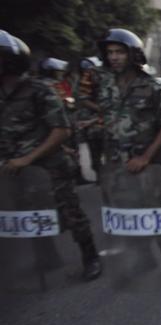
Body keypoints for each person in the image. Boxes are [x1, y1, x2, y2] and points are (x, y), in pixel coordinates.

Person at [0, 30, 101, 281]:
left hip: (49, 166)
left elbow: (61, 130)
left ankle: (90, 257)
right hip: (13, 167)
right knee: (26, 213)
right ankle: (45, 256)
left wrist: (28, 158)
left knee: (70, 212)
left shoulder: (39, 90)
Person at [95, 28, 161, 279]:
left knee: (160, 214)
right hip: (117, 165)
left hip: (151, 165)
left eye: (119, 52)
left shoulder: (153, 88)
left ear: (133, 54)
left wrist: (146, 157)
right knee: (129, 214)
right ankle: (145, 259)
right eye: (110, 52)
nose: (114, 57)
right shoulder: (106, 87)